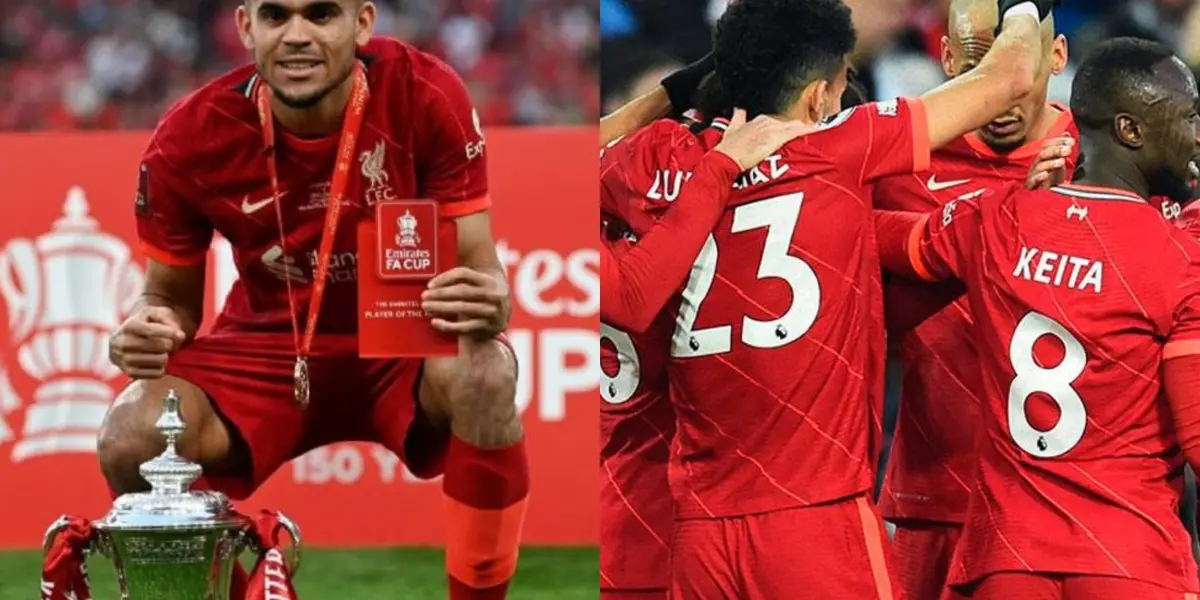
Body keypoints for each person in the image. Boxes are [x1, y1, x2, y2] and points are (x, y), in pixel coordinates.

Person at [603, 0, 1054, 595]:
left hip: (703, 532)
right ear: (819, 98)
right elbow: (1009, 77)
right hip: (815, 519)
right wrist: (1024, 7)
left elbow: (577, 156)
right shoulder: (840, 147)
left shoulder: (656, 161)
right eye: (841, 86)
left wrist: (678, 87)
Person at [101, 2, 524, 599]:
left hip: (401, 343)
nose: (297, 35)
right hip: (267, 348)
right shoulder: (190, 134)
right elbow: (168, 301)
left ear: (362, 23)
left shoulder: (424, 92)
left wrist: (493, 299)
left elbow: (479, 271)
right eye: (277, 16)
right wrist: (147, 327)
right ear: (247, 27)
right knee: (129, 436)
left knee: (487, 371)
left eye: (321, 15)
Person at [874, 37, 1200, 600]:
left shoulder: (999, 220)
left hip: (1008, 557)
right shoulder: (1179, 255)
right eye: (1189, 117)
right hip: (1128, 554)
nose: (1196, 134)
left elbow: (889, 239)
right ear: (1130, 130)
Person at [869, 1, 1074, 597]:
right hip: (932, 496)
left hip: (1065, 507)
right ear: (946, 59)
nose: (1002, 99)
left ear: (1055, 57)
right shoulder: (901, 164)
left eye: (1014, 72)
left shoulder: (1100, 163)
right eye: (977, 70)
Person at [600, 108, 816, 600]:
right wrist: (718, 168)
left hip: (624, 525)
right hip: (704, 527)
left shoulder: (593, 243)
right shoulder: (700, 254)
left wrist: (669, 97)